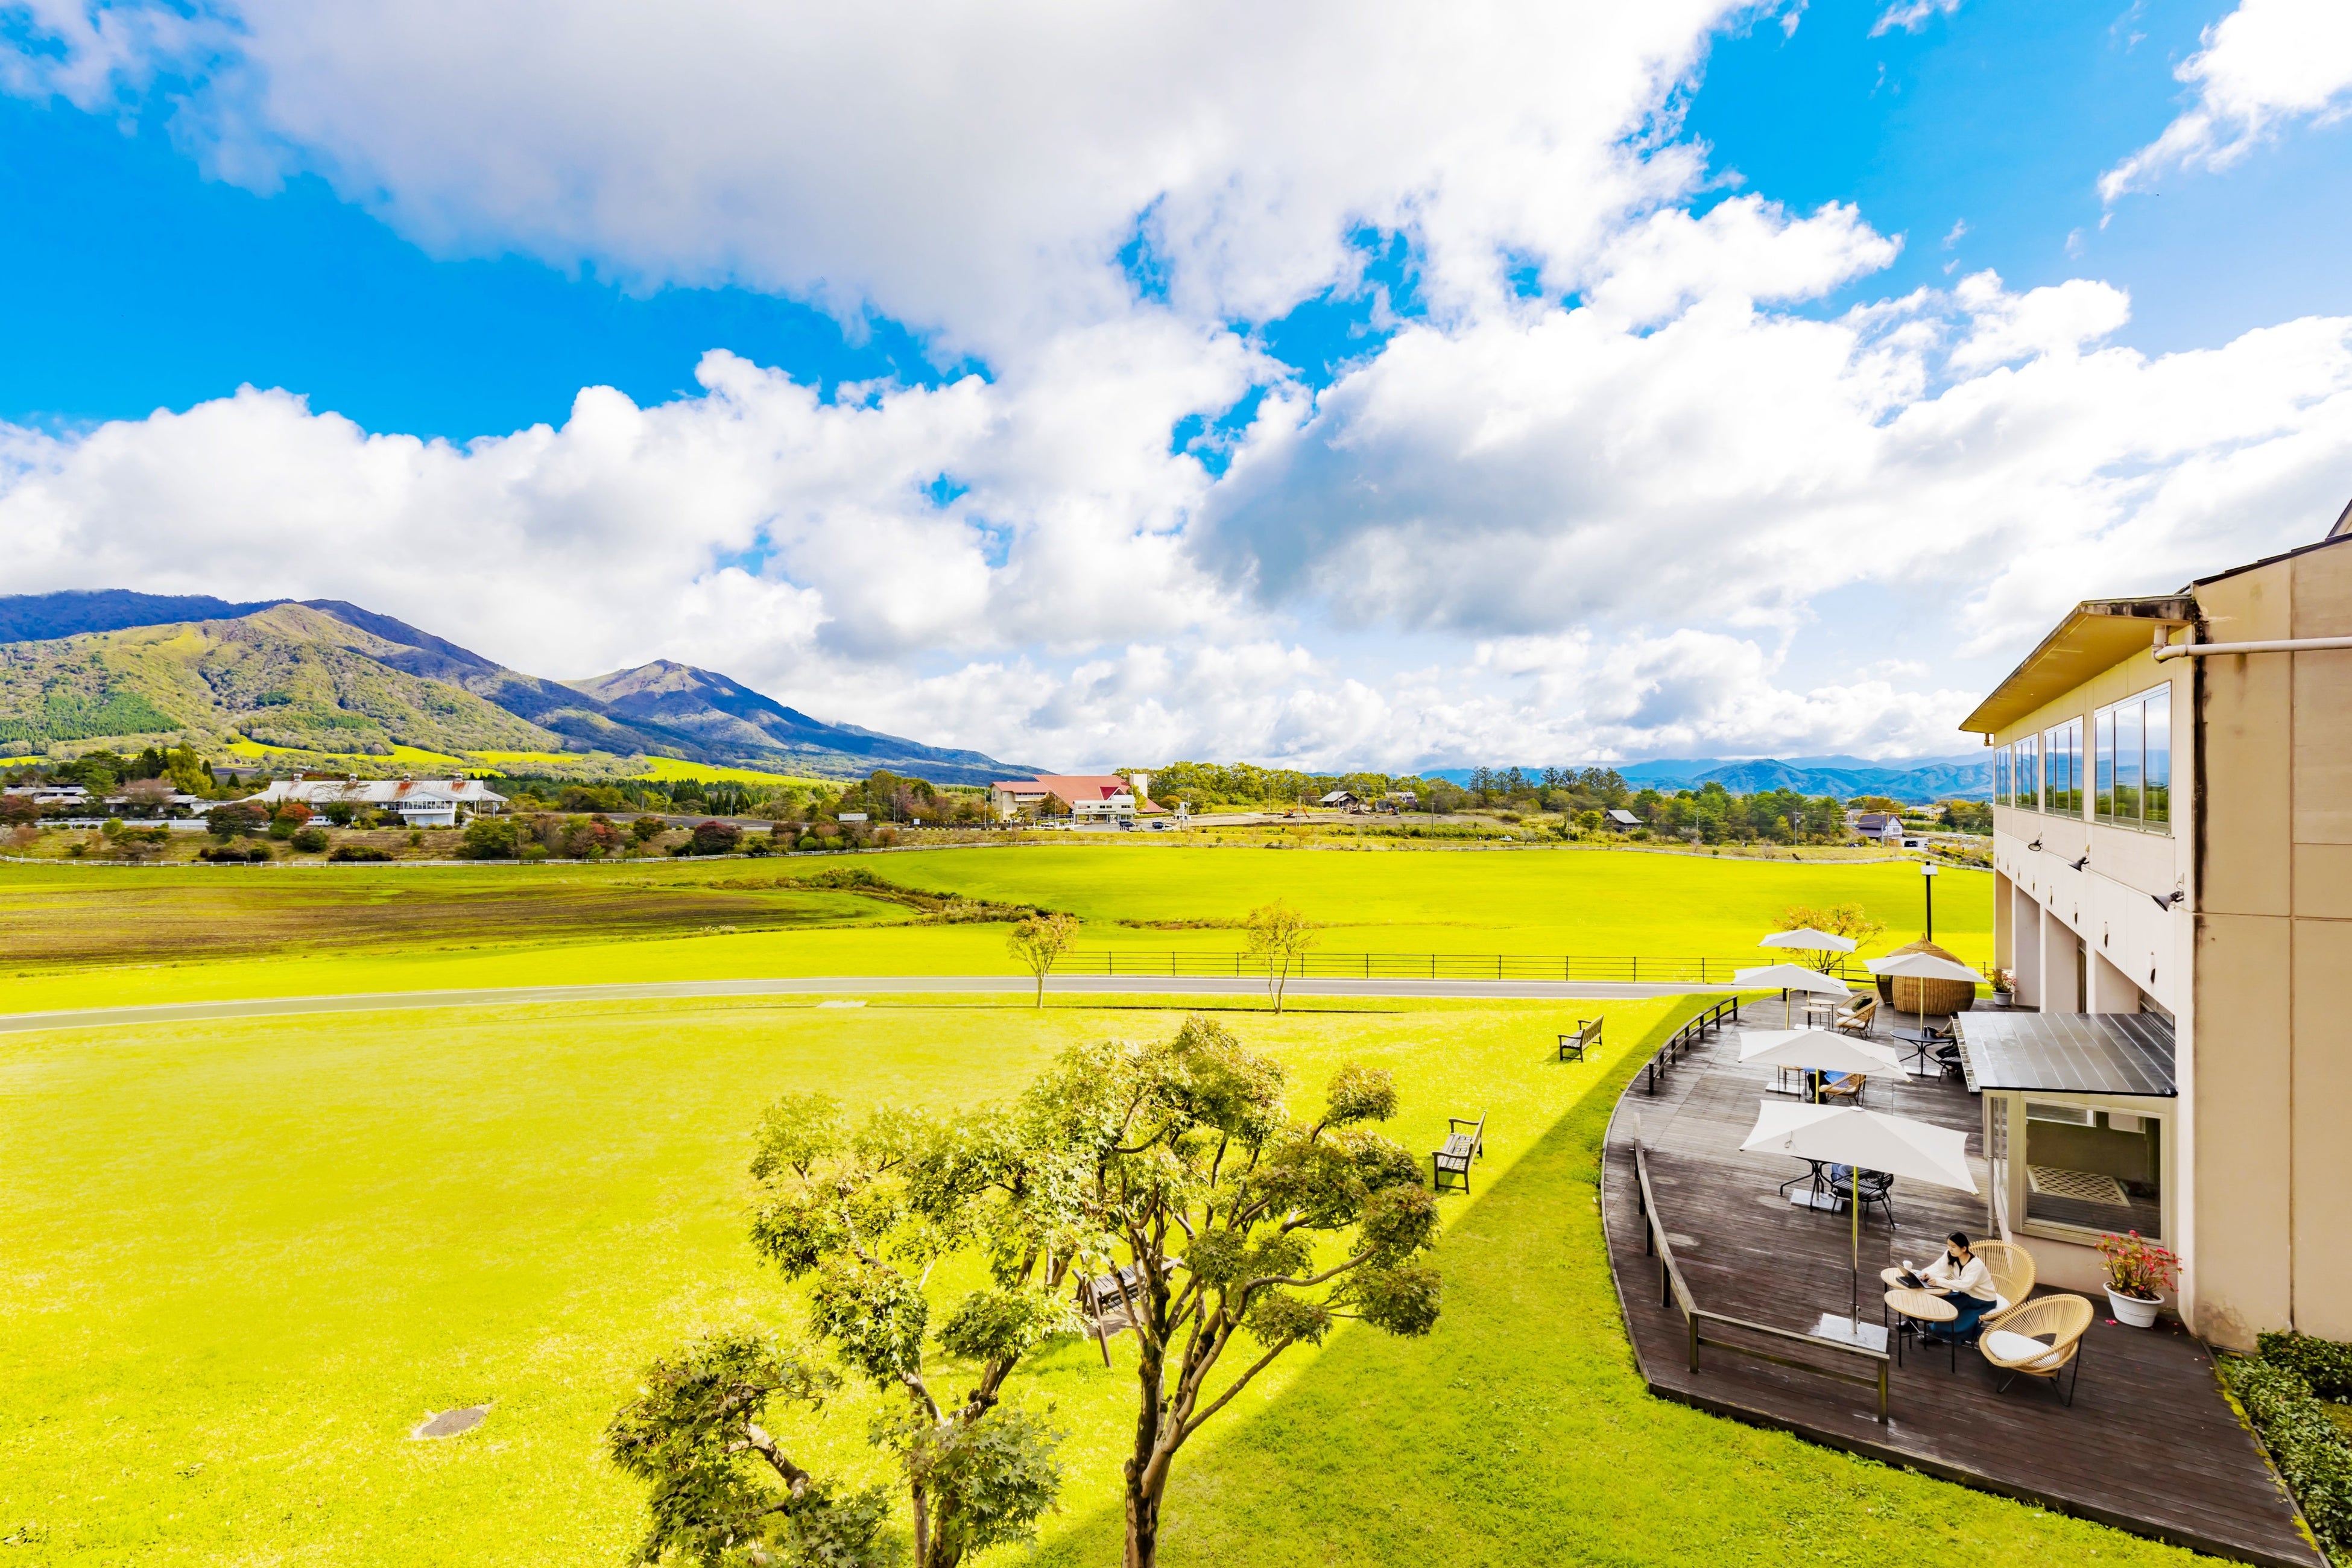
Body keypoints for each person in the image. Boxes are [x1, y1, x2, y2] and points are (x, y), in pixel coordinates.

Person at [1915, 1231, 1999, 1344]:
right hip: (1966, 1295)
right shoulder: (1951, 1254)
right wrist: (1928, 1274)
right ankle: (1912, 1320)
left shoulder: (1976, 1265)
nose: (1950, 1249)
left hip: (1981, 1300)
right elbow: (1940, 1268)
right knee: (1938, 1301)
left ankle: (1936, 1334)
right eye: (1948, 1245)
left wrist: (1940, 1281)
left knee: (1954, 1313)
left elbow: (1965, 1285)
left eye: (1953, 1246)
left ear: (1964, 1248)